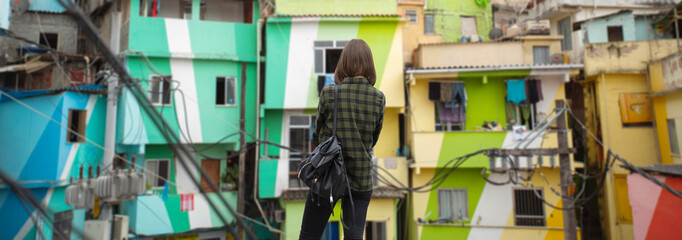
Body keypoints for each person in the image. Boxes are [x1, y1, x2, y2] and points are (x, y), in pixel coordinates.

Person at [299, 39, 386, 240]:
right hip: (361, 179)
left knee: (309, 236)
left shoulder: (330, 93)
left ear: (343, 62)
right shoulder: (379, 98)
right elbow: (372, 140)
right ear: (370, 64)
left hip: (327, 175)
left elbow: (317, 136)